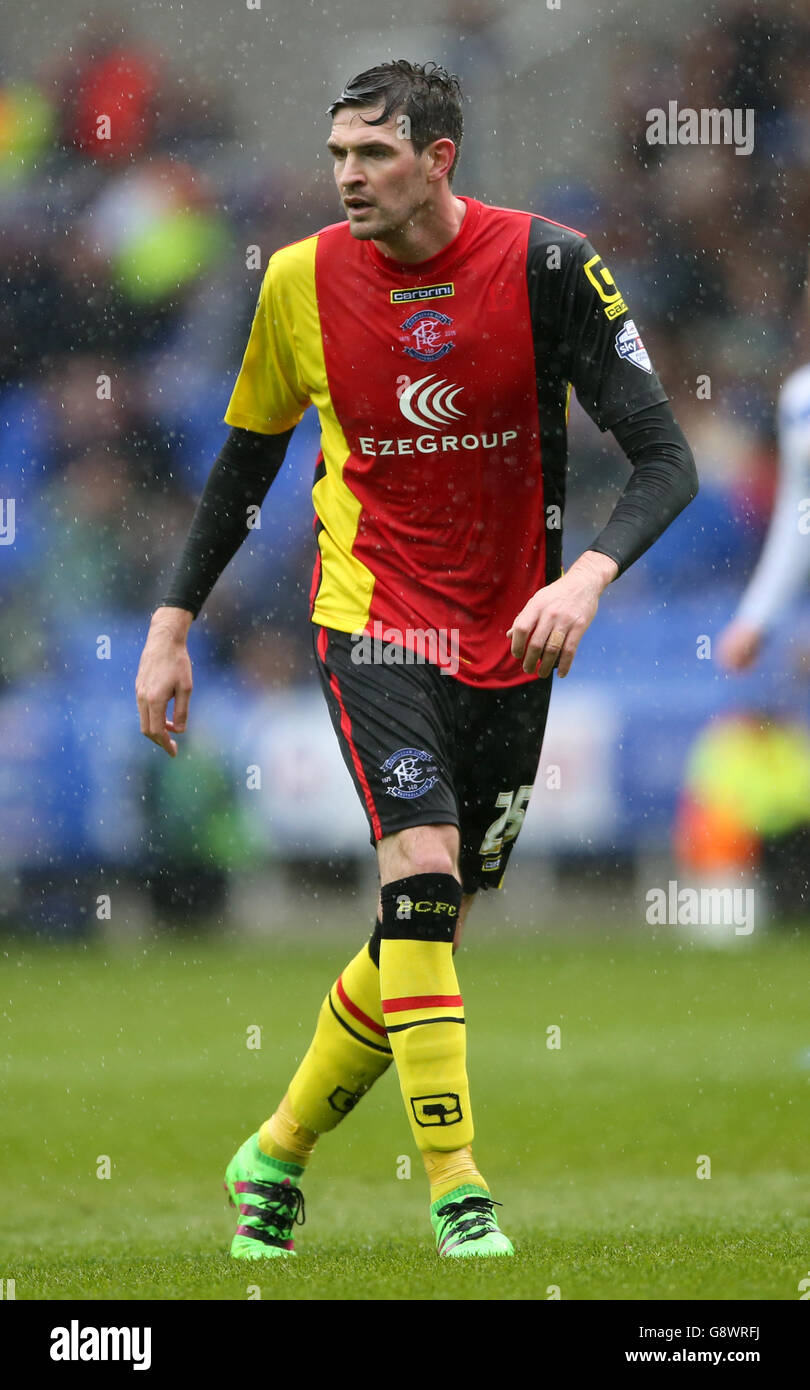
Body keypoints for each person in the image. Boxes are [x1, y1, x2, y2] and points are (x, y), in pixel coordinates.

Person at [135, 60, 698, 1259]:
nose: (348, 176)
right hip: (375, 619)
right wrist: (171, 621)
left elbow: (664, 457)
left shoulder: (550, 266)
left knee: (425, 927)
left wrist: (587, 572)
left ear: (439, 157)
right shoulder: (297, 282)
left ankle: (276, 1149)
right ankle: (458, 1190)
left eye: (374, 154)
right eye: (338, 154)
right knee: (423, 876)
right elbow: (245, 466)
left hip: (513, 637)